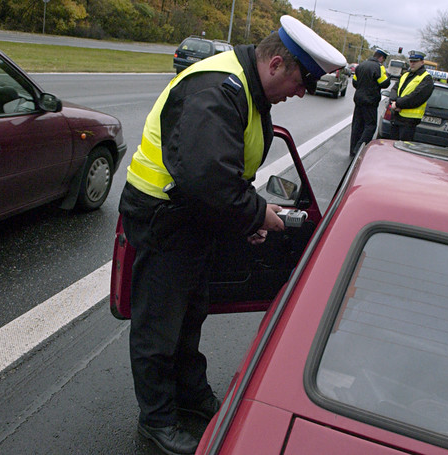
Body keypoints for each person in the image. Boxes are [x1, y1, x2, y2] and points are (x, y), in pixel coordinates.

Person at [118, 15, 346, 455]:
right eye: (303, 82)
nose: (302, 93)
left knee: (191, 313)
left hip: (191, 218)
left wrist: (251, 217)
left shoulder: (246, 88)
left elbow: (223, 171)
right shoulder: (217, 90)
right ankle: (158, 421)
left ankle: (191, 394)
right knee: (159, 326)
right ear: (277, 64)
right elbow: (206, 178)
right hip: (163, 219)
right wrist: (258, 215)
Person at [349, 47, 391, 156]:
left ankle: (352, 149)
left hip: (358, 99)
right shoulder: (379, 67)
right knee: (370, 126)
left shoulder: (361, 65)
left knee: (357, 125)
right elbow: (385, 83)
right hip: (370, 101)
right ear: (381, 58)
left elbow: (355, 82)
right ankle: (359, 149)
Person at [389, 50, 435, 141]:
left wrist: (398, 104)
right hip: (396, 117)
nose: (412, 64)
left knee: (403, 150)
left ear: (422, 62)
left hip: (409, 121)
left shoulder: (426, 78)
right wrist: (393, 101)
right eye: (411, 61)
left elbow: (416, 97)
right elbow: (395, 89)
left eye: (415, 61)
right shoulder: (405, 75)